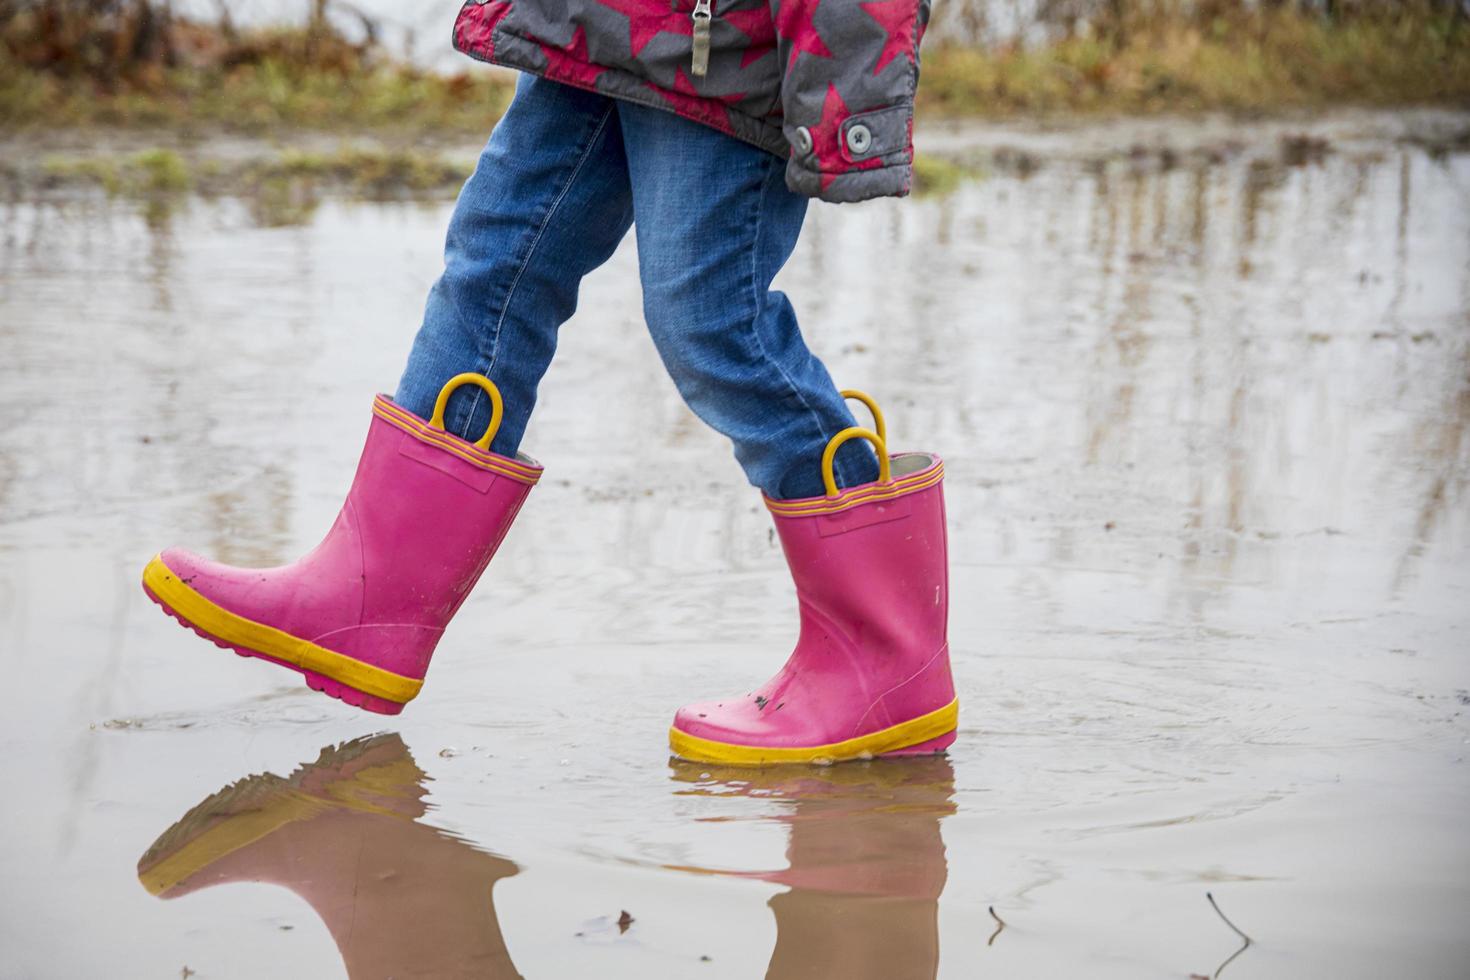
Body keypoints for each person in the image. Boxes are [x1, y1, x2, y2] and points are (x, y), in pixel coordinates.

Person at [140, 0, 957, 763]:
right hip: (603, 19)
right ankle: (369, 599)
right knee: (497, 262)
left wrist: (856, 103)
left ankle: (882, 657)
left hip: (724, 50)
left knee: (713, 322)